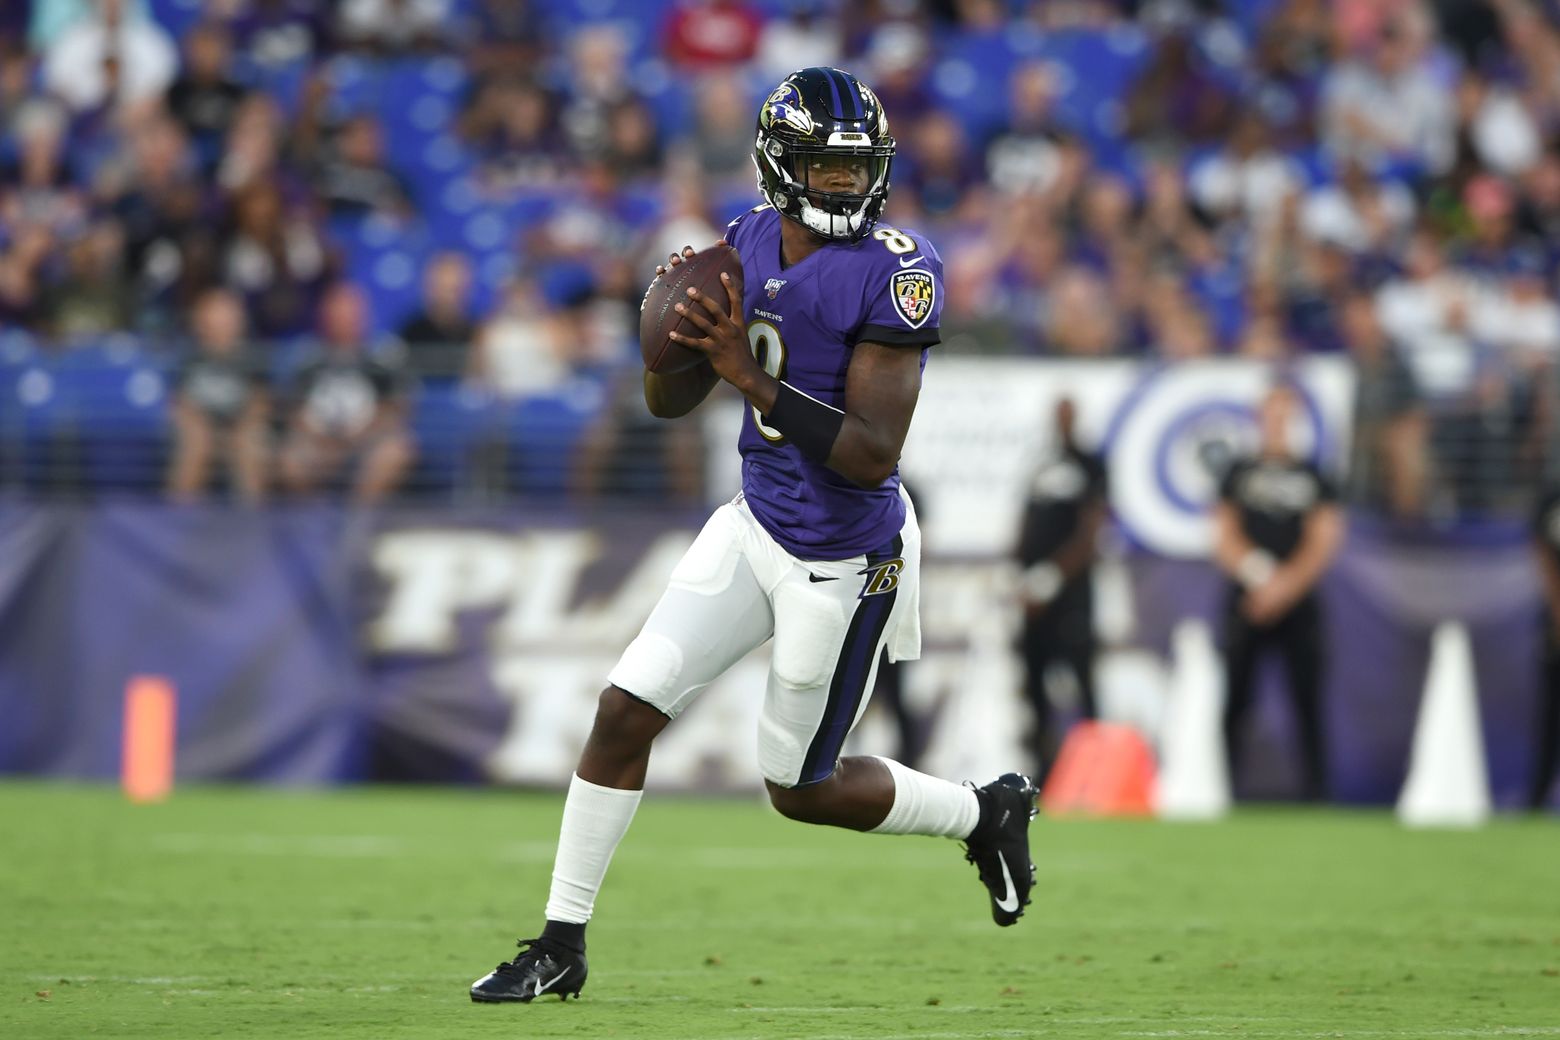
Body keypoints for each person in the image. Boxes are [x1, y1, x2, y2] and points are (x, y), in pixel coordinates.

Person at [470, 67, 1040, 1006]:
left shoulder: (898, 271)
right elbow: (666, 401)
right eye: (826, 169)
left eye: (857, 170)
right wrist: (671, 336)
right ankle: (560, 944)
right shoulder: (743, 237)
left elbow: (869, 453)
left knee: (799, 789)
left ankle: (984, 811)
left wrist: (746, 373)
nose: (846, 187)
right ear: (782, 167)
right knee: (623, 712)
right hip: (753, 523)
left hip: (843, 557)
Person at [1212, 384, 1344, 802]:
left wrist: (1285, 586)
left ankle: (1316, 793)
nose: (1277, 424)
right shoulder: (1238, 472)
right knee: (1236, 698)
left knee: (1307, 700)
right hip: (1247, 599)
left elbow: (1325, 537)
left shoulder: (1314, 476)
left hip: (1297, 601)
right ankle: (1223, 788)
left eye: (1285, 415)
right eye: (1271, 414)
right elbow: (1223, 532)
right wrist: (1257, 574)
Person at [1015, 397, 1107, 773]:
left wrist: (1053, 575)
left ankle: (1097, 771)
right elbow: (1025, 518)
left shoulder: (1090, 464)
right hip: (1034, 594)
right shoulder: (1040, 461)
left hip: (1072, 593)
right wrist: (1022, 575)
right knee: (1034, 684)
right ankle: (1043, 773)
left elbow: (1091, 529)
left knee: (1082, 681)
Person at [277, 282, 414, 503]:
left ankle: (358, 520)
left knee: (395, 450)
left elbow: (395, 409)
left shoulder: (381, 357)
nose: (344, 319)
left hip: (368, 443)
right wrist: (323, 442)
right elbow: (294, 410)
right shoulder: (309, 358)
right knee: (290, 459)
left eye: (350, 312)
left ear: (363, 314)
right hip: (317, 444)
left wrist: (355, 440)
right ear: (325, 316)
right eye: (337, 312)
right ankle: (312, 521)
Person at [166, 287, 269, 503]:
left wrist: (239, 428)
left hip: (239, 431)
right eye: (215, 317)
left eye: (228, 317)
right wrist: (202, 429)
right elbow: (179, 402)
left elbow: (260, 404)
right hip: (200, 432)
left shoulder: (251, 360)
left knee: (249, 444)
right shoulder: (190, 360)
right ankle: (178, 523)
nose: (222, 324)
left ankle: (251, 524)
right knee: (196, 444)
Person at [1529, 484, 1560, 810]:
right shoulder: (1551, 500)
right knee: (1549, 717)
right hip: (1554, 626)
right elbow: (1540, 552)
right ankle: (1537, 797)